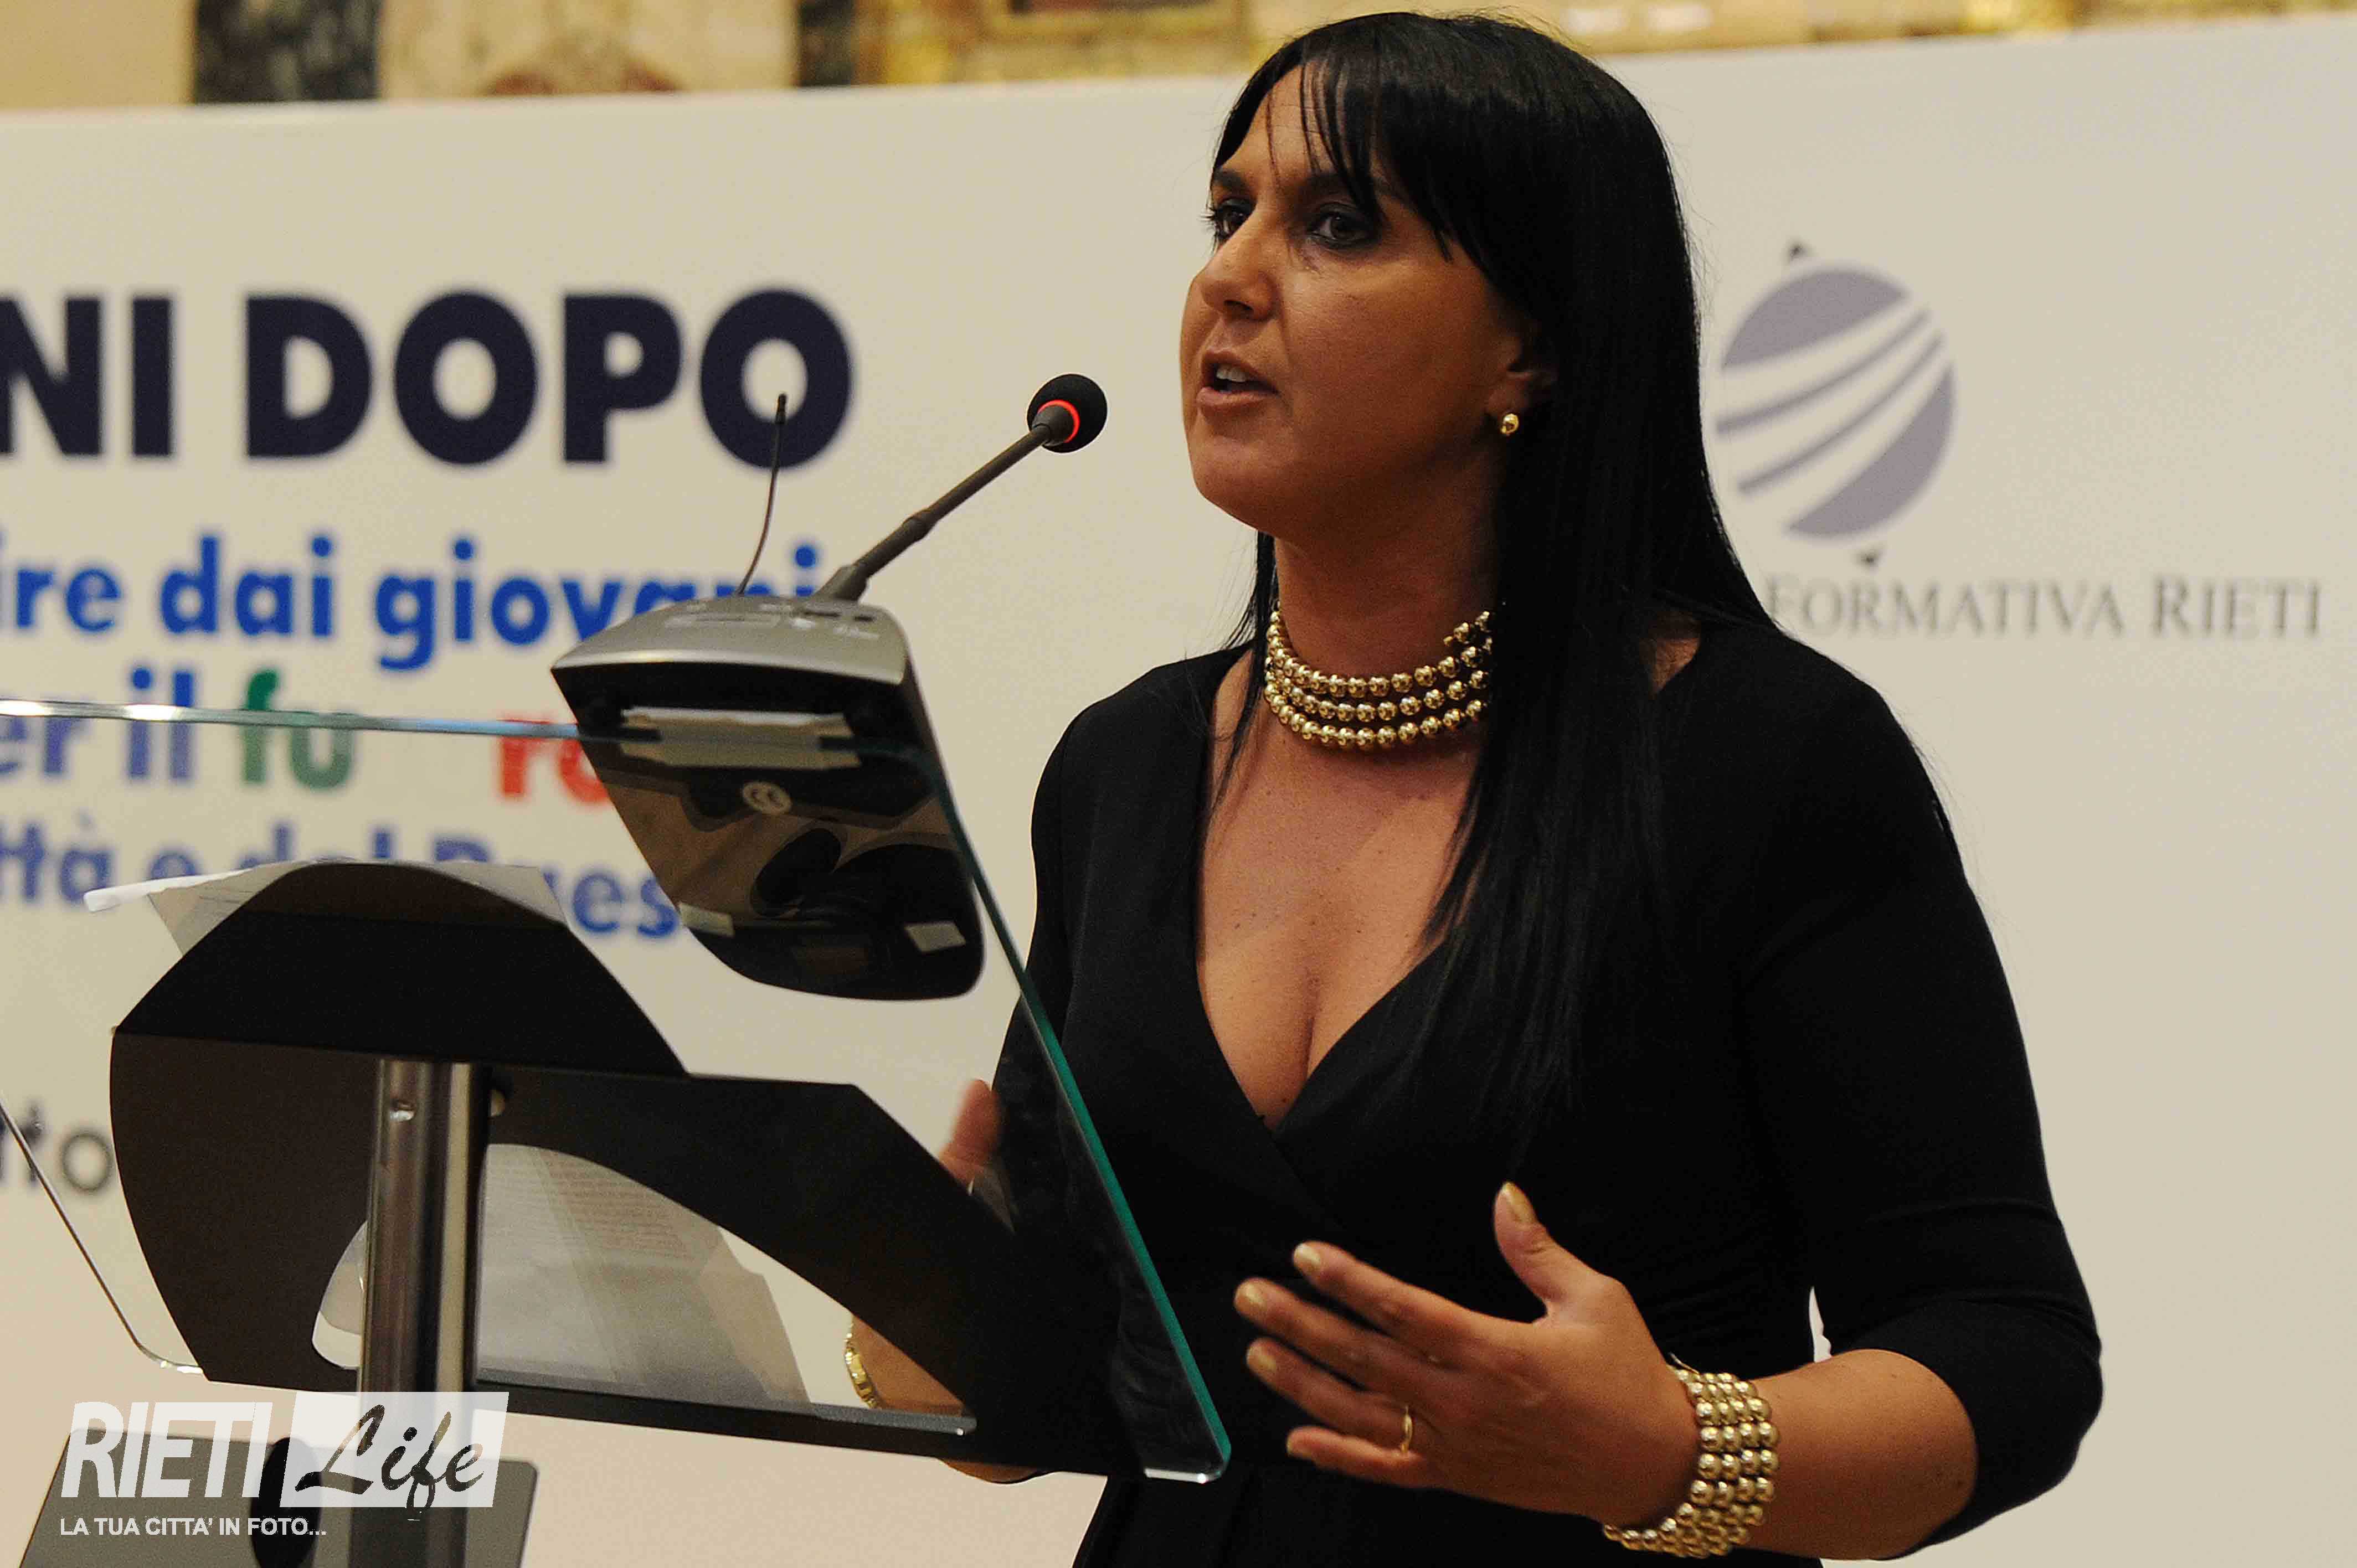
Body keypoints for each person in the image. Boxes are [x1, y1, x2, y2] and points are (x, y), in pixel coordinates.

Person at [857, 13, 2099, 1564]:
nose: (1231, 276)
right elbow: (1082, 1379)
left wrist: (1671, 1448)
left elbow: (2007, 1357)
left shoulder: (1773, 760)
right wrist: (940, 1338)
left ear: (1534, 347)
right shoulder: (1122, 767)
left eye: (1337, 225)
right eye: (1227, 211)